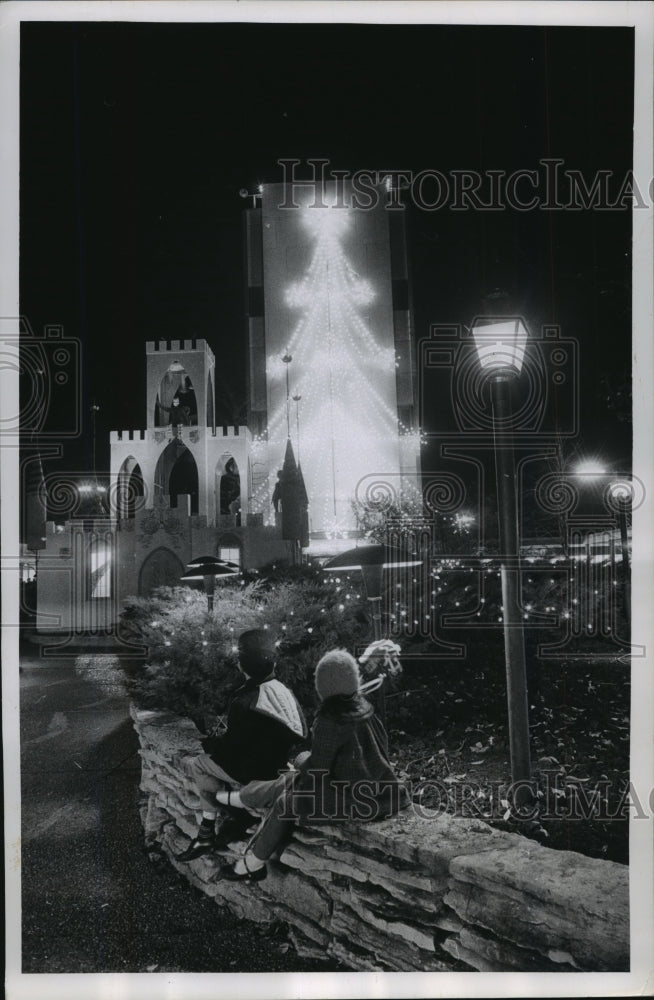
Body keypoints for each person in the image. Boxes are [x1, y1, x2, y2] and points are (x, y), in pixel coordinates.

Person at [217, 646, 410, 882]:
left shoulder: (330, 720)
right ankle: (245, 797)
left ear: (323, 687)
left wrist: (301, 761)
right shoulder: (365, 708)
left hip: (357, 799)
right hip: (380, 788)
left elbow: (317, 771)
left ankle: (252, 863)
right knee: (294, 776)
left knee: (286, 801)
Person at [175, 628, 307, 862]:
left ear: (241, 665)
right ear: (273, 664)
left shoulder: (244, 701)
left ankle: (208, 831)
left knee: (200, 764)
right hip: (280, 767)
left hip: (255, 773)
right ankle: (236, 812)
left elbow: (229, 755)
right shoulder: (285, 691)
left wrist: (211, 744)